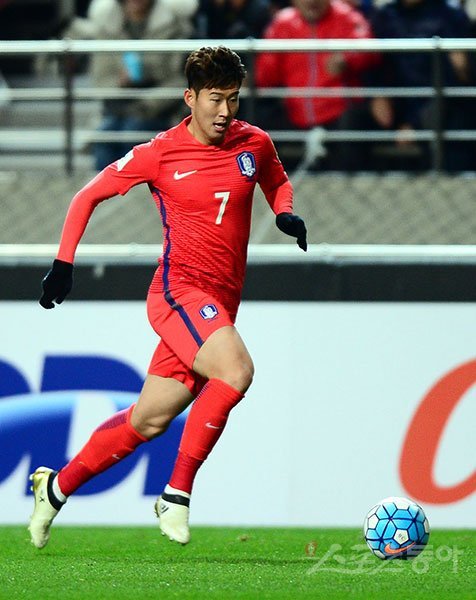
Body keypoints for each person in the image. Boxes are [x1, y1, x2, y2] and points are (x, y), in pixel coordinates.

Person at [28, 46, 307, 549]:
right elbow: (86, 195)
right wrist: (64, 264)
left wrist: (285, 212)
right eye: (215, 99)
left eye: (234, 99)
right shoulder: (159, 153)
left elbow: (276, 180)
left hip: (219, 304)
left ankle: (56, 487)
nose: (225, 111)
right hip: (179, 293)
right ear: (190, 97)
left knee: (149, 418)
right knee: (236, 371)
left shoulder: (254, 142)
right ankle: (175, 495)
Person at [64, 0, 198, 170]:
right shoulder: (107, 27)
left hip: (159, 108)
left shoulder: (174, 26)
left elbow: (179, 78)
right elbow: (101, 77)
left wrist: (145, 78)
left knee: (133, 131)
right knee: (103, 138)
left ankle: (138, 185)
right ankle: (106, 186)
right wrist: (120, 83)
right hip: (118, 107)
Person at [254, 0, 378, 169]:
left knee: (354, 126)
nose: (311, 1)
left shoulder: (346, 16)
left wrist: (347, 58)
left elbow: (369, 48)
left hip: (339, 114)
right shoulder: (283, 23)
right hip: (295, 114)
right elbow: (265, 75)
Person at [369, 0, 475, 172]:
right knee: (355, 121)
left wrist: (416, 124)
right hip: (397, 107)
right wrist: (378, 94)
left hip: (440, 107)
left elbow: (454, 80)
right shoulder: (386, 16)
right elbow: (375, 64)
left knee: (456, 121)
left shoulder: (450, 16)